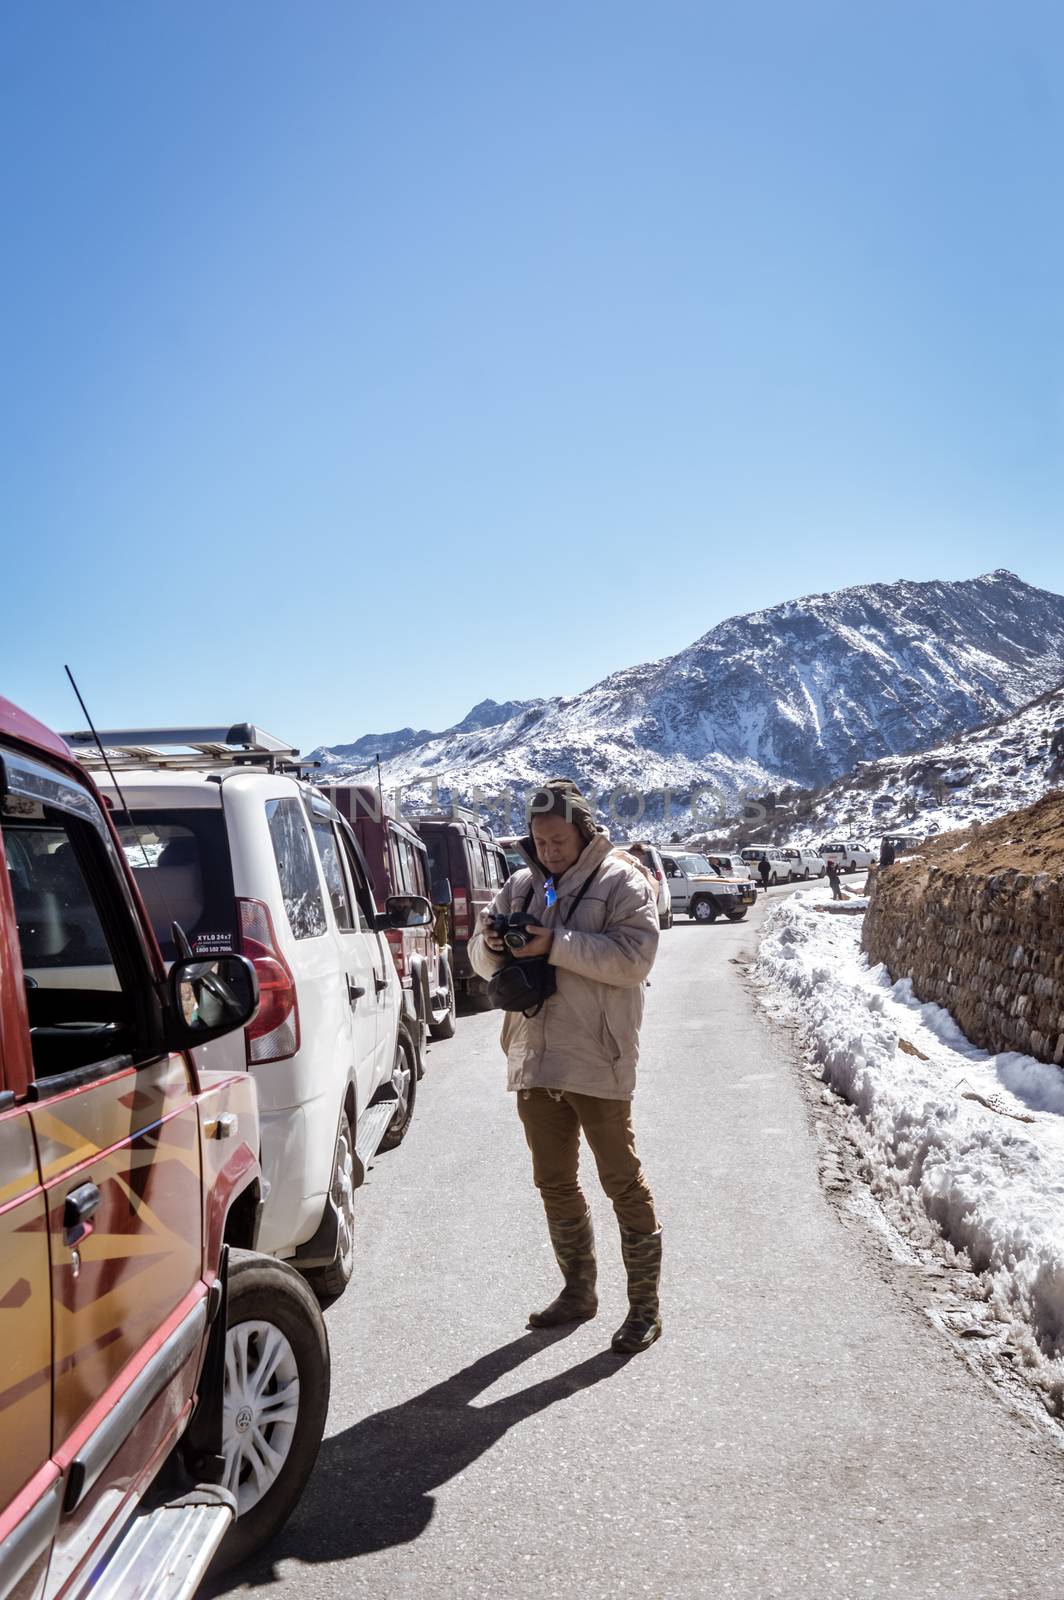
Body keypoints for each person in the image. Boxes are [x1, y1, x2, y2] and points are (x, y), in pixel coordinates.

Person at [469, 779, 662, 1355]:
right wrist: (493, 944)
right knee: (554, 1183)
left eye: (559, 840)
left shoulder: (623, 881)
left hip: (597, 1055)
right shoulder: (520, 885)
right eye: (540, 840)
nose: (549, 851)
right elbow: (481, 964)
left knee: (621, 1181)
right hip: (534, 1055)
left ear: (584, 830)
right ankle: (578, 1292)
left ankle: (645, 1309)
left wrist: (554, 943)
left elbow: (634, 959)